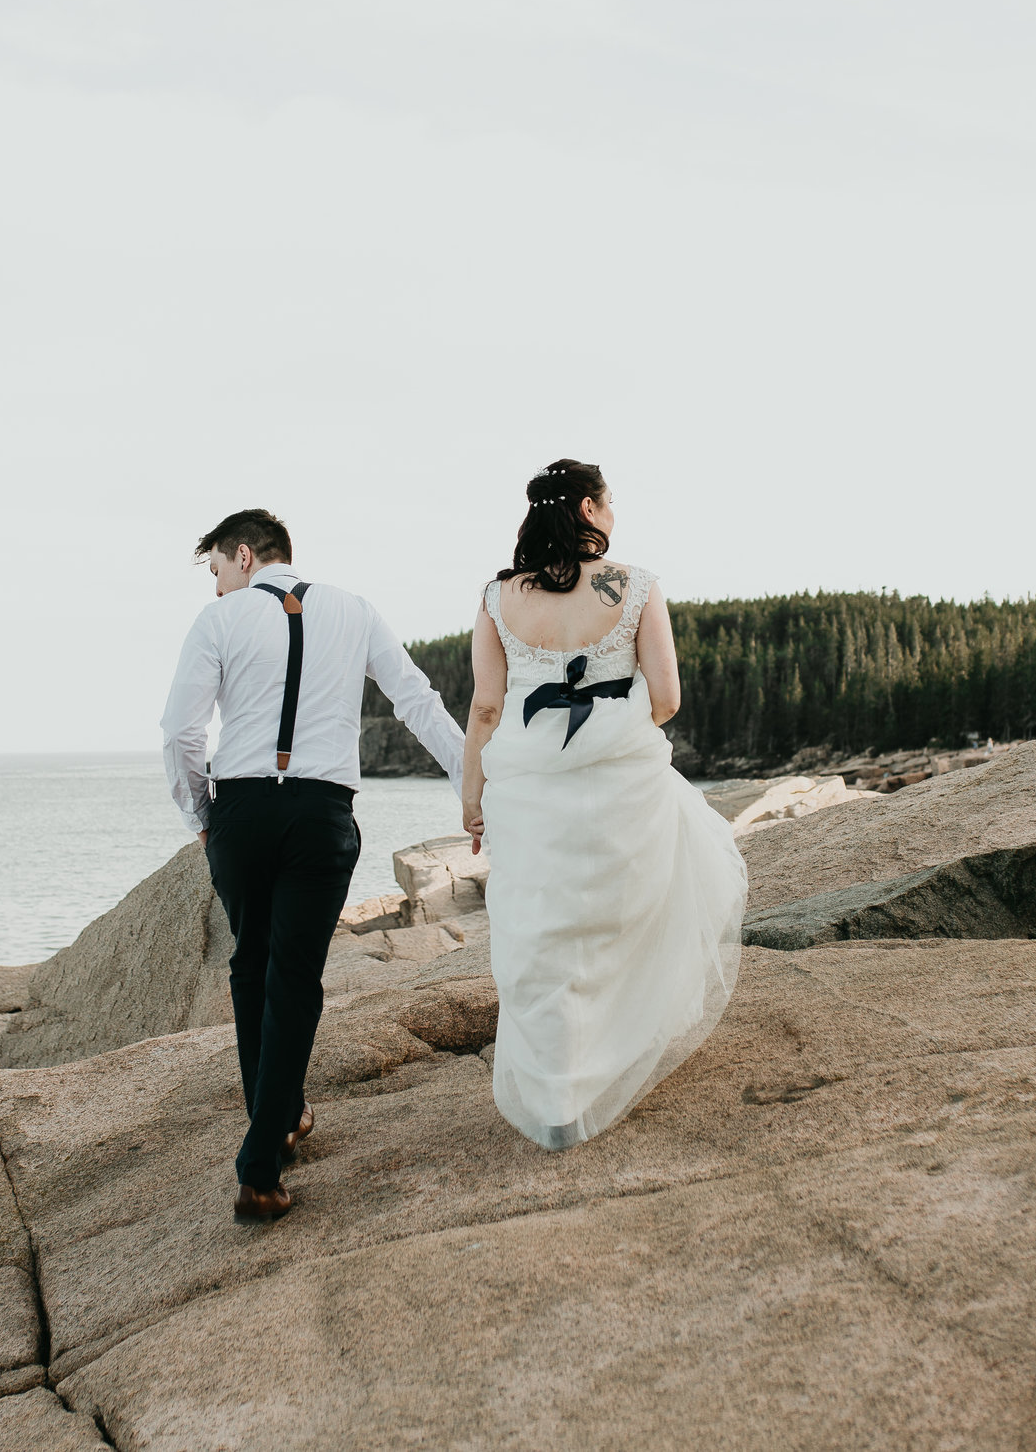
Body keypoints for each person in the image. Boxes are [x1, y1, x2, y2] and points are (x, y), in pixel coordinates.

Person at [160, 507, 466, 1221]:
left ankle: (269, 1135)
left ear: (243, 556)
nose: (215, 588)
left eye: (216, 572)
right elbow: (417, 700)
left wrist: (200, 813)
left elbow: (179, 731)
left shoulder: (221, 622)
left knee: (250, 962)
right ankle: (271, 1139)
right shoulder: (356, 610)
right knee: (294, 975)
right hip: (322, 812)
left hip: (240, 812)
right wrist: (469, 785)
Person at [459, 459, 747, 1149]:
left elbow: (487, 706)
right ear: (588, 510)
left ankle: (557, 1103)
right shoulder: (633, 585)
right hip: (621, 788)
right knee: (617, 923)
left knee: (543, 935)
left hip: (529, 791)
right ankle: (606, 1068)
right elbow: (669, 697)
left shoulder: (501, 596)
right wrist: (611, 731)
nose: (614, 511)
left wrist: (472, 796)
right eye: (609, 501)